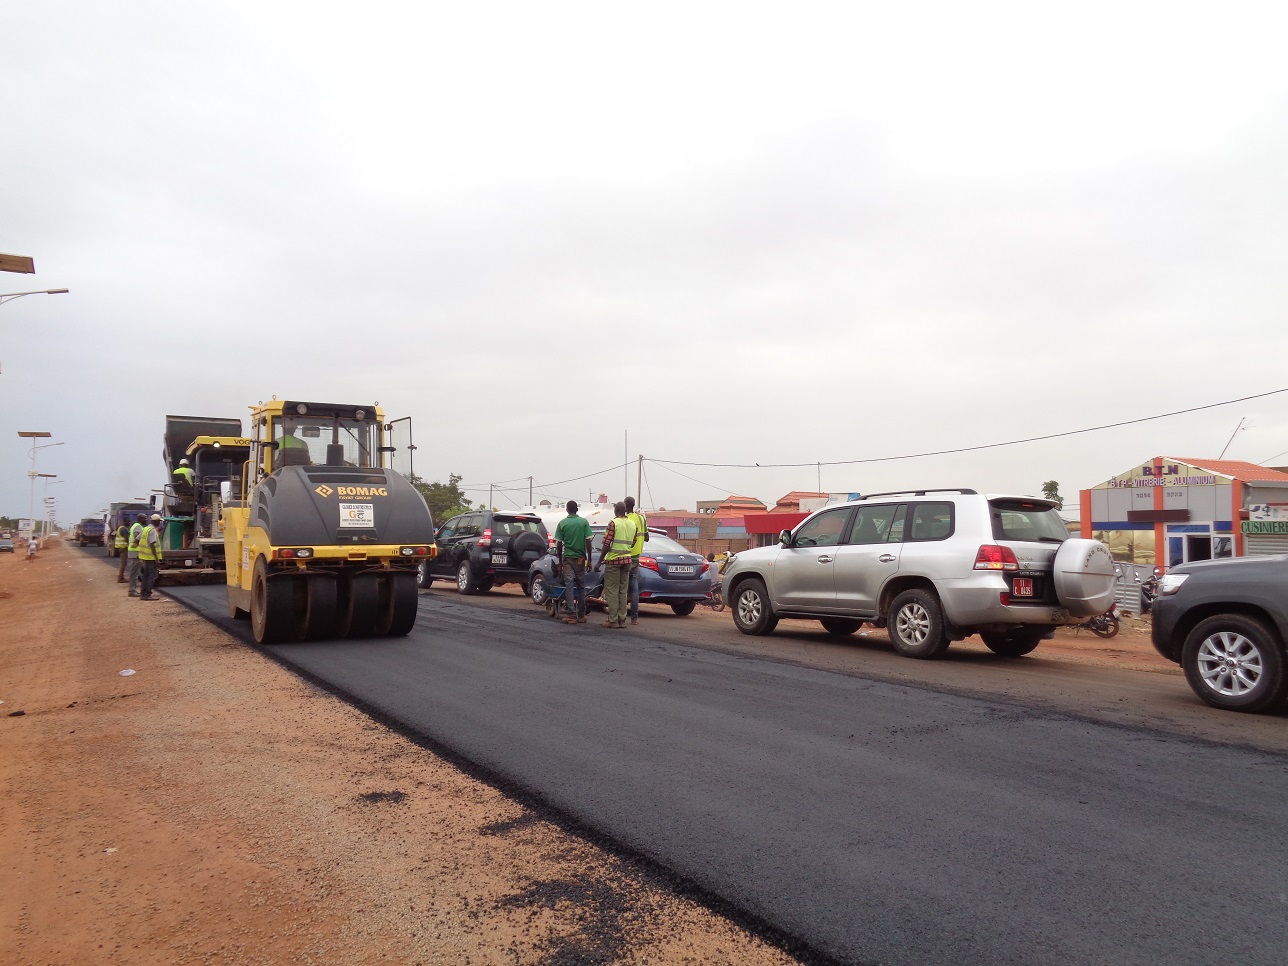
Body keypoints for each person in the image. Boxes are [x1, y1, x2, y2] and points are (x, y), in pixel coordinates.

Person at [594, 502, 637, 629]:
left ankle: (612, 620)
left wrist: (599, 561)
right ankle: (621, 620)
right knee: (623, 591)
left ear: (616, 510)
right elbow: (633, 542)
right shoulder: (632, 524)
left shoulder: (613, 523)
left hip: (613, 561)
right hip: (627, 560)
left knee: (612, 590)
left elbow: (606, 544)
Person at [553, 500, 593, 625]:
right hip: (580, 559)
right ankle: (581, 615)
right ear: (577, 509)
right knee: (581, 586)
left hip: (568, 558)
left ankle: (571, 615)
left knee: (569, 585)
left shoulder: (562, 523)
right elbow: (588, 541)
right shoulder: (584, 522)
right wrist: (589, 559)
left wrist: (560, 562)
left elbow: (559, 544)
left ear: (567, 510)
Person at [623, 496, 649, 626]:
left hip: (625, 555)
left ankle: (620, 617)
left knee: (622, 586)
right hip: (636, 556)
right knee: (634, 587)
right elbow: (647, 538)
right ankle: (634, 618)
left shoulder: (624, 519)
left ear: (625, 505)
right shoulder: (641, 518)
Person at [138, 513, 164, 601]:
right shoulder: (152, 530)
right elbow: (152, 544)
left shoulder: (145, 529)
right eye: (159, 521)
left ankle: (143, 594)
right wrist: (157, 559)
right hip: (151, 558)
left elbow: (137, 539)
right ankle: (147, 594)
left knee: (145, 576)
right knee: (151, 576)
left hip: (145, 557)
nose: (159, 523)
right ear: (155, 521)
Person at [125, 513, 147, 597]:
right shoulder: (138, 526)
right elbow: (137, 537)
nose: (146, 520)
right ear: (140, 519)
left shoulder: (136, 526)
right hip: (136, 552)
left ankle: (133, 590)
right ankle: (132, 591)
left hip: (135, 551)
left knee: (135, 572)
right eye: (145, 518)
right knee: (134, 573)